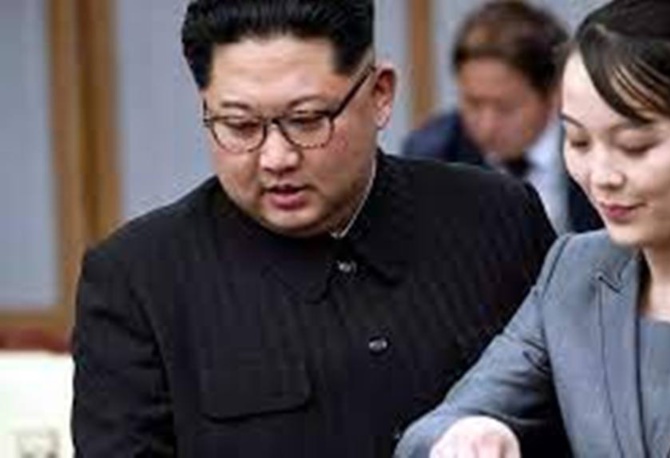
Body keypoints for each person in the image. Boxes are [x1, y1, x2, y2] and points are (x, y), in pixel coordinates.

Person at [70, 1, 560, 456]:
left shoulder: (498, 218)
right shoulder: (139, 280)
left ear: (380, 94)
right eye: (240, 126)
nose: (276, 157)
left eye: (306, 120)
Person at [395, 0, 670, 456]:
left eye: (635, 146)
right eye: (578, 141)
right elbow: (440, 424)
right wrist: (467, 432)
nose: (601, 176)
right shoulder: (573, 270)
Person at [402, 0, 600, 235]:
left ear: (555, 93)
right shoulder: (432, 157)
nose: (487, 126)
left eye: (506, 108)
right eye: (473, 103)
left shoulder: (600, 147)